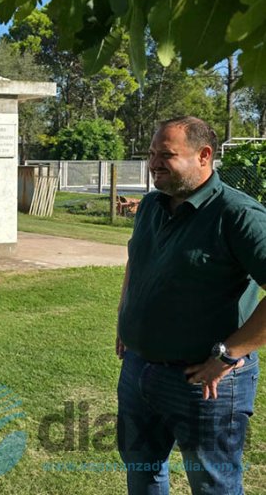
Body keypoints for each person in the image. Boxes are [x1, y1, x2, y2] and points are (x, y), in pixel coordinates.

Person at [116, 116, 266, 494]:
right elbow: (137, 260)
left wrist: (229, 354)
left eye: (166, 154)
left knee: (213, 484)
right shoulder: (151, 206)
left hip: (205, 382)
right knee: (143, 469)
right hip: (139, 369)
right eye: (151, 154)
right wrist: (124, 319)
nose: (153, 163)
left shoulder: (237, 214)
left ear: (204, 156)